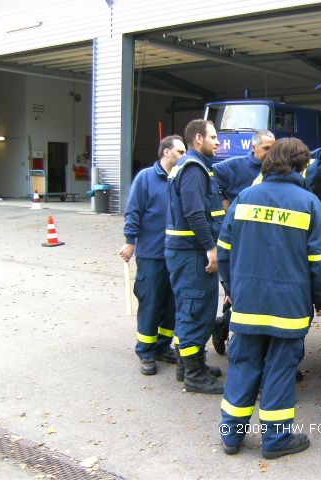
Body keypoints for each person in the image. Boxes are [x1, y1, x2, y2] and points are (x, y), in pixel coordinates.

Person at [217, 137, 321, 459]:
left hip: (247, 303)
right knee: (281, 369)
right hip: (289, 307)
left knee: (243, 365)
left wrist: (232, 289)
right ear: (300, 165)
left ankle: (231, 436)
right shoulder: (310, 203)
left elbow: (224, 251)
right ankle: (276, 440)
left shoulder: (244, 198)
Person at [165, 119, 224, 395]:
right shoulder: (193, 169)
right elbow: (195, 213)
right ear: (198, 139)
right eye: (213, 137)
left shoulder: (193, 167)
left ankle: (188, 365)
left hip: (187, 252)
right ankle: (194, 375)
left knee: (192, 308)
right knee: (194, 309)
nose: (218, 142)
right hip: (192, 254)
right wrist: (211, 247)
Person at [119, 135, 186, 376]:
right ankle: (146, 352)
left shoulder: (180, 178)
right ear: (166, 152)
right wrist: (130, 242)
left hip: (176, 254)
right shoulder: (146, 178)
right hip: (152, 255)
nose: (183, 156)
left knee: (171, 304)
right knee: (151, 303)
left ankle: (161, 346)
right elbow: (133, 211)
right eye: (179, 152)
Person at [212, 130, 321, 204]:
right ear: (254, 147)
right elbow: (210, 179)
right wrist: (224, 204)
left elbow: (304, 155)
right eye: (267, 148)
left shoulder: (280, 162)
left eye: (274, 148)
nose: (271, 152)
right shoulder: (233, 166)